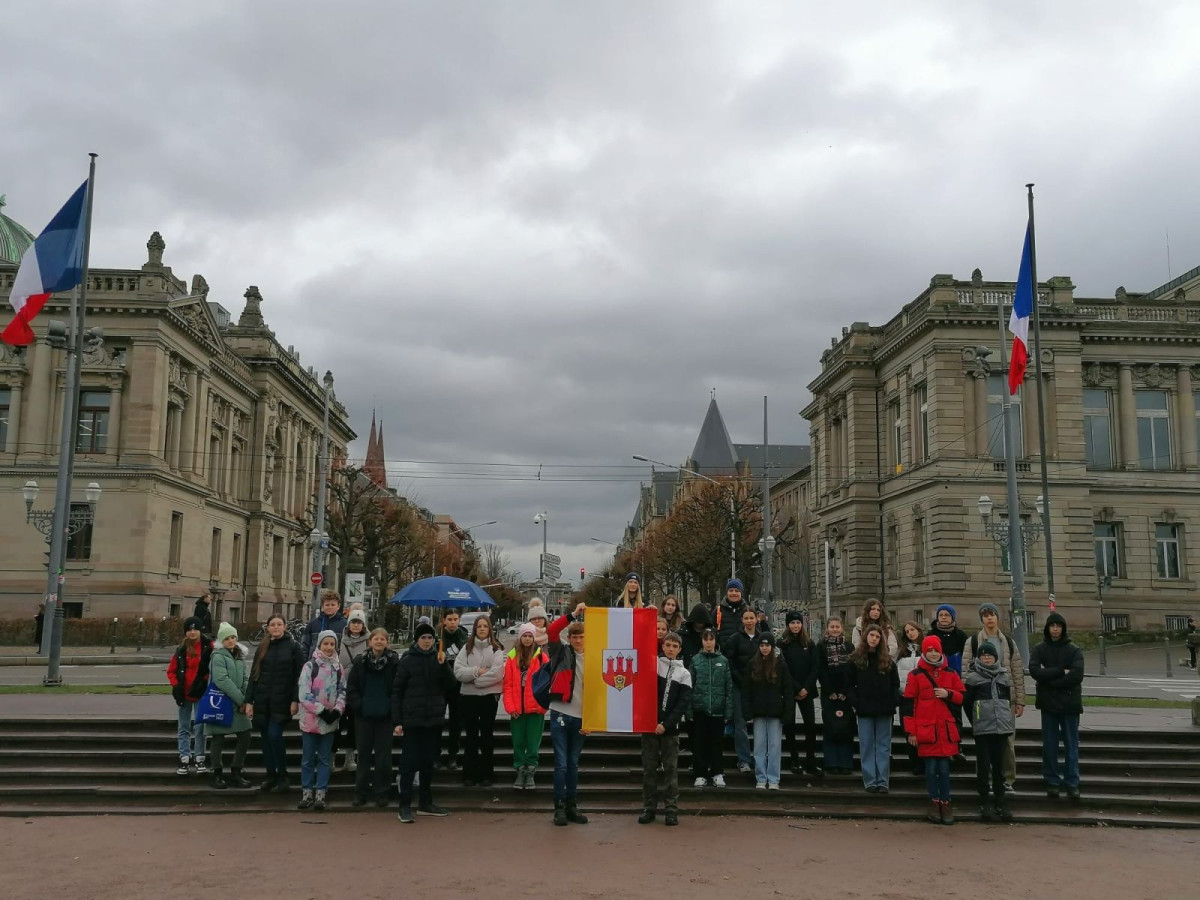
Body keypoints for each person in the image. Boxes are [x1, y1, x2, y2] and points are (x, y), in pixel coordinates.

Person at [393, 621, 456, 823]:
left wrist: (444, 664)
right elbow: (397, 691)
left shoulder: (438, 658)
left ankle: (425, 803)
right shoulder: (407, 660)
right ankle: (404, 805)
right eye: (423, 638)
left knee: (428, 762)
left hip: (433, 719)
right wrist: (398, 720)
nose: (427, 641)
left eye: (430, 638)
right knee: (409, 764)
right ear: (417, 640)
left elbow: (451, 685)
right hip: (412, 719)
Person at [961, 602, 1026, 789]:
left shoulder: (1008, 641)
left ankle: (1007, 779)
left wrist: (1019, 699)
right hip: (981, 701)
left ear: (998, 617)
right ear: (981, 619)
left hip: (1005, 700)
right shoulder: (973, 642)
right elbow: (965, 673)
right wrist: (969, 701)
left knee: (1007, 743)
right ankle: (983, 781)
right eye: (985, 615)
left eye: (992, 614)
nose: (989, 618)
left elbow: (1017, 672)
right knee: (983, 745)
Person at [904, 635, 965, 825]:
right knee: (930, 769)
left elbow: (962, 697)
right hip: (926, 729)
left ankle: (945, 803)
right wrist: (911, 731)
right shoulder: (915, 675)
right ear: (924, 652)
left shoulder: (951, 673)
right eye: (929, 650)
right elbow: (908, 705)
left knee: (945, 769)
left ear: (940, 652)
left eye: (935, 650)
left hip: (944, 729)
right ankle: (934, 801)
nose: (932, 653)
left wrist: (949, 694)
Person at [246, 613, 305, 793]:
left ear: (285, 627)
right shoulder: (263, 647)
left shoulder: (294, 647)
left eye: (279, 624)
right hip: (263, 700)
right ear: (268, 628)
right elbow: (254, 675)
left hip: (282, 700)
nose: (276, 627)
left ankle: (282, 774)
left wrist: (295, 700)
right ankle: (270, 774)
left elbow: (299, 676)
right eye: (273, 625)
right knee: (265, 740)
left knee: (274, 736)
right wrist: (249, 701)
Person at [1029, 612, 1084, 800]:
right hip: (1048, 705)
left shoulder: (1074, 650)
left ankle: (1072, 782)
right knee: (1050, 746)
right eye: (1052, 626)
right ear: (1047, 628)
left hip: (1070, 704)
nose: (1055, 629)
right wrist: (1061, 671)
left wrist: (1050, 680)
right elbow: (1035, 671)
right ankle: (1052, 781)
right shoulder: (1039, 649)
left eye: (1058, 626)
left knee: (1071, 746)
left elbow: (1076, 675)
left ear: (1063, 628)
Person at [639, 631, 692, 825]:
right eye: (667, 645)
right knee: (649, 769)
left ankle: (671, 809)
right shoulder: (653, 665)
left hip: (670, 729)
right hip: (649, 726)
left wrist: (666, 724)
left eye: (674, 646)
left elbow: (682, 704)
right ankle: (649, 807)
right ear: (662, 646)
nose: (670, 649)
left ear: (679, 649)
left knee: (670, 770)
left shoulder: (684, 673)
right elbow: (643, 692)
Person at [345, 627, 399, 808]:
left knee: (384, 757)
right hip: (364, 717)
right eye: (375, 639)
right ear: (370, 642)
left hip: (385, 717)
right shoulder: (360, 662)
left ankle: (382, 792)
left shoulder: (394, 663)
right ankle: (360, 793)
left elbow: (398, 688)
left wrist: (390, 707)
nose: (378, 642)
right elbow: (351, 687)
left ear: (387, 642)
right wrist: (359, 705)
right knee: (364, 757)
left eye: (382, 639)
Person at [546, 602, 589, 826]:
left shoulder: (595, 658)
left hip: (582, 716)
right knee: (561, 763)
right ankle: (559, 806)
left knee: (573, 762)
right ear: (570, 638)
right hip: (561, 712)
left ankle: (572, 804)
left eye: (581, 637)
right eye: (574, 637)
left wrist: (594, 718)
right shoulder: (561, 651)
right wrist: (572, 615)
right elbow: (551, 631)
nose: (578, 641)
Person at [963, 641, 1015, 821]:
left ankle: (1000, 800)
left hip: (1001, 728)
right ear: (978, 657)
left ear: (995, 657)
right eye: (983, 655)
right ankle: (984, 800)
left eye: (989, 655)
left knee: (1000, 767)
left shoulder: (1003, 677)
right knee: (983, 767)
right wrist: (976, 721)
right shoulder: (973, 678)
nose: (986, 657)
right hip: (983, 729)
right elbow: (967, 703)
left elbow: (1006, 701)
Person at [296, 630, 346, 811]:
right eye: (326, 644)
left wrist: (338, 709)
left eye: (332, 644)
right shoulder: (310, 666)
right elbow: (304, 693)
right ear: (319, 645)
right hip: (311, 721)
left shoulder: (338, 667)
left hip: (330, 721)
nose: (329, 647)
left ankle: (320, 792)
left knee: (324, 759)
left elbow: (342, 690)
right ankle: (306, 792)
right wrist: (320, 710)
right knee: (308, 759)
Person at [454, 614, 506, 787]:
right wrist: (477, 671)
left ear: (489, 629)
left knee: (486, 736)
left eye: (485, 626)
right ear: (475, 629)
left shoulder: (497, 649)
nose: (482, 629)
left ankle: (487, 774)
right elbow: (459, 672)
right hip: (468, 699)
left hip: (489, 699)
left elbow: (497, 673)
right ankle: (469, 773)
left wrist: (475, 681)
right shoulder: (466, 648)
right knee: (471, 737)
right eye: (479, 626)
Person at [850, 623, 900, 793]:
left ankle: (883, 781)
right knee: (867, 745)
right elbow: (849, 685)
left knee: (883, 745)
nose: (874, 639)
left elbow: (896, 684)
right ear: (865, 637)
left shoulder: (887, 661)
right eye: (871, 635)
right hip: (864, 709)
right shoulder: (856, 659)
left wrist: (893, 701)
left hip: (884, 709)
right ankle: (870, 780)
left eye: (878, 637)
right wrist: (856, 702)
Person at [743, 632, 793, 790]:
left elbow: (788, 690)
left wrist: (787, 712)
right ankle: (760, 777)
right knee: (758, 746)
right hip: (758, 713)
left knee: (774, 747)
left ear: (772, 647)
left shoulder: (781, 665)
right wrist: (747, 711)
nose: (765, 648)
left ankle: (773, 778)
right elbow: (747, 690)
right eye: (762, 645)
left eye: (768, 645)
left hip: (775, 713)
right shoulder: (752, 664)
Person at [207, 622, 253, 790]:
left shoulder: (240, 657)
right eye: (227, 638)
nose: (231, 641)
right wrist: (241, 700)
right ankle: (217, 773)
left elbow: (245, 679)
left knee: (245, 734)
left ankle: (236, 770)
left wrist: (247, 699)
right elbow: (221, 681)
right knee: (218, 738)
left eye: (233, 637)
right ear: (221, 641)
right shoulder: (218, 656)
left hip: (239, 703)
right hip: (221, 702)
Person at [166, 616, 213, 776]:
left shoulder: (209, 646)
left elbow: (216, 666)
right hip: (184, 694)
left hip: (201, 692)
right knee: (184, 727)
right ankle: (184, 758)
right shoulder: (181, 649)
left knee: (200, 727)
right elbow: (171, 670)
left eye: (195, 629)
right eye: (189, 630)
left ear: (200, 630)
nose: (192, 632)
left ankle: (200, 758)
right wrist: (175, 685)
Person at [503, 623, 547, 789]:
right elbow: (507, 685)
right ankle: (520, 768)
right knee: (518, 741)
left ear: (534, 638)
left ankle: (531, 769)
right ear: (520, 637)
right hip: (517, 709)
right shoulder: (512, 656)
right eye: (525, 636)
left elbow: (547, 684)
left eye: (530, 636)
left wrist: (542, 706)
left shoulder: (542, 657)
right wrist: (510, 707)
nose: (527, 639)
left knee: (533, 741)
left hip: (535, 708)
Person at [687, 626, 732, 788]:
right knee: (700, 743)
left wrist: (728, 710)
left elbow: (729, 688)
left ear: (715, 640)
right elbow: (689, 686)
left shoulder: (723, 661)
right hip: (700, 709)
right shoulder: (695, 660)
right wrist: (689, 710)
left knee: (717, 743)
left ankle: (717, 772)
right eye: (705, 639)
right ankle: (700, 773)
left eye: (711, 639)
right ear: (702, 641)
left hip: (718, 710)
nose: (708, 642)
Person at [778, 611, 821, 776]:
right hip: (790, 691)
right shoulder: (782, 644)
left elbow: (815, 667)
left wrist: (806, 688)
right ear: (787, 625)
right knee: (789, 726)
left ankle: (811, 761)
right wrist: (796, 688)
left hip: (807, 691)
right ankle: (794, 760)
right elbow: (784, 668)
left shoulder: (809, 644)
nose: (795, 625)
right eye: (792, 623)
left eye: (798, 622)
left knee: (810, 726)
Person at [722, 606, 760, 773]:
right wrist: (741, 680)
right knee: (740, 725)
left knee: (760, 724)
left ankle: (759, 758)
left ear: (756, 619)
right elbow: (729, 662)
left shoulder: (763, 639)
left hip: (759, 687)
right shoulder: (735, 639)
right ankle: (743, 759)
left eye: (752, 618)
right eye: (746, 618)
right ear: (742, 620)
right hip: (739, 686)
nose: (749, 621)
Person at [819, 617, 856, 775]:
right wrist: (830, 692)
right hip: (829, 693)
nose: (835, 629)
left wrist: (844, 692)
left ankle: (846, 763)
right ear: (827, 628)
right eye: (832, 626)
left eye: (837, 626)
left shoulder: (849, 646)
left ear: (842, 628)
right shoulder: (821, 646)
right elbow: (820, 669)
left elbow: (852, 670)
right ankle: (831, 762)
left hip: (845, 694)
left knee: (846, 728)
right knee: (830, 728)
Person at [335, 608, 370, 773]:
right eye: (353, 622)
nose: (356, 625)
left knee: (353, 726)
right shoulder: (339, 640)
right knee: (336, 725)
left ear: (363, 625)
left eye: (359, 622)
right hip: (340, 690)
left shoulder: (369, 641)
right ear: (348, 624)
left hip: (359, 691)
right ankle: (331, 759)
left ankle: (350, 758)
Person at [434, 610, 469, 769]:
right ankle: (436, 754)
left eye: (456, 619)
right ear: (444, 621)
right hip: (440, 685)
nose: (453, 622)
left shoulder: (464, 638)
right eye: (450, 619)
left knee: (456, 722)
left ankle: (453, 755)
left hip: (458, 685)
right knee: (437, 722)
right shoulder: (437, 638)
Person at [895, 621, 924, 776]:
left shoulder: (926, 650)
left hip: (923, 697)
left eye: (912, 630)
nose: (910, 633)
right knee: (908, 731)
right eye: (907, 631)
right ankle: (915, 763)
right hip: (905, 696)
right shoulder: (902, 652)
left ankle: (924, 762)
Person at [301, 590, 347, 655]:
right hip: (315, 663)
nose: (330, 607)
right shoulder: (313, 625)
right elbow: (304, 647)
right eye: (327, 605)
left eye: (333, 605)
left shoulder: (344, 625)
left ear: (338, 606)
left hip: (336, 663)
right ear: (322, 606)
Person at [927, 604, 968, 675]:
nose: (943, 617)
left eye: (947, 615)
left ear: (952, 617)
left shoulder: (960, 635)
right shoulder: (931, 634)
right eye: (940, 615)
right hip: (936, 672)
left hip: (956, 673)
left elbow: (966, 656)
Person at [715, 578, 748, 644]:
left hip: (744, 652)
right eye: (731, 590)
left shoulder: (748, 611)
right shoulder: (718, 611)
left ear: (741, 593)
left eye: (736, 591)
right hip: (724, 652)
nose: (733, 593)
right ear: (727, 593)